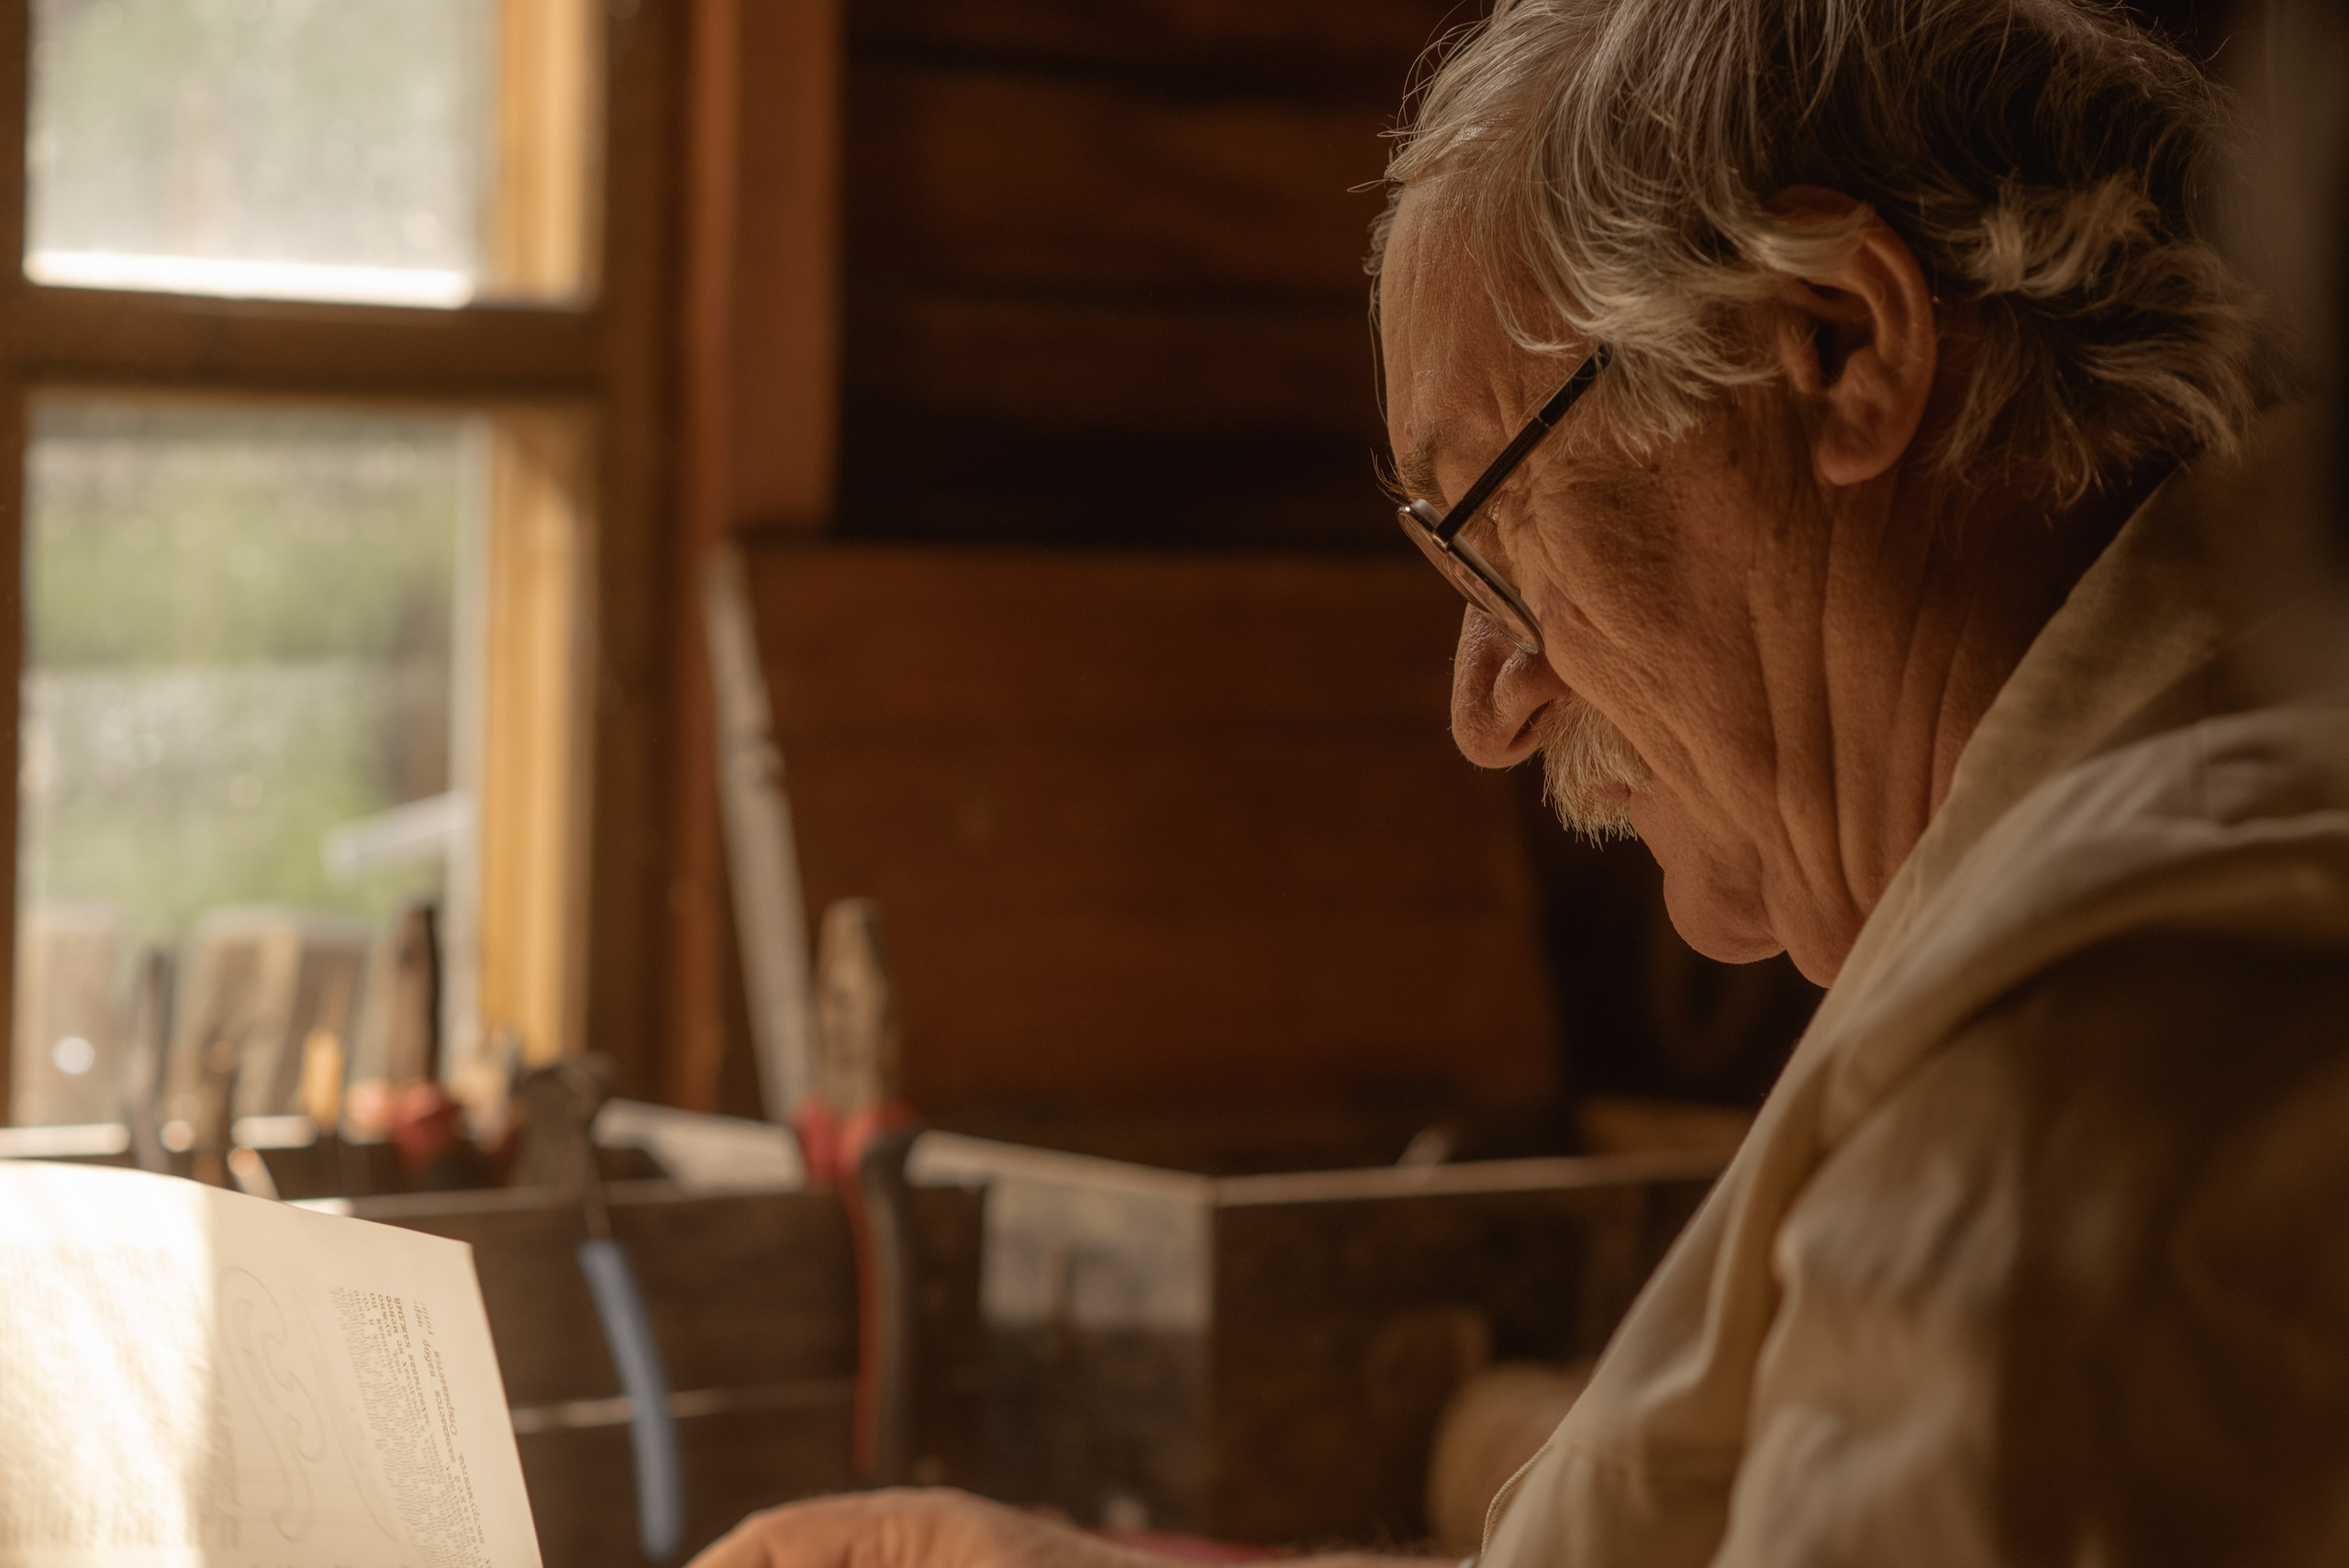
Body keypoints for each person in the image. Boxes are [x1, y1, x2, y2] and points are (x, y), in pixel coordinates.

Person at [692, 1, 2349, 1564]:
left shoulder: (2108, 1025)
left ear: (1843, 346)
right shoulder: (2085, 881)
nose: (1489, 707)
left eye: (1485, 528)